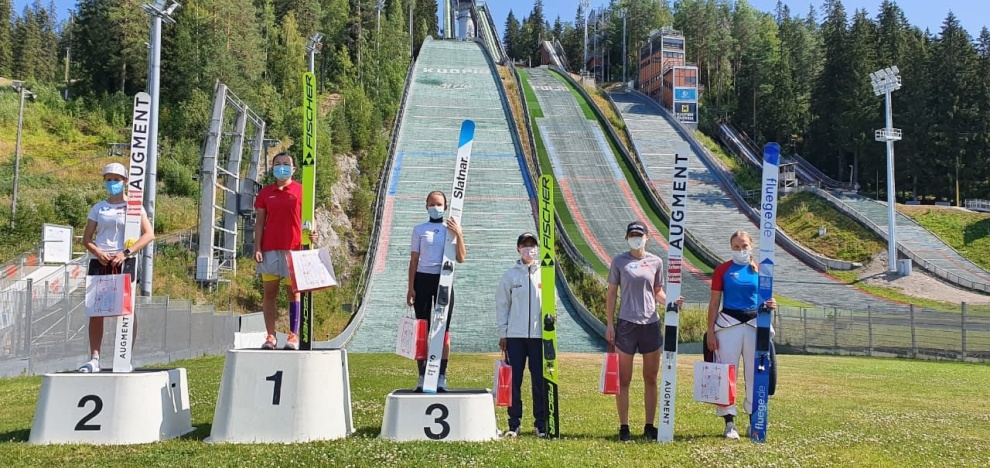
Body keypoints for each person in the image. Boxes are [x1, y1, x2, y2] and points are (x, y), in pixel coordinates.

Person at [606, 221, 683, 441]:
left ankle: (649, 425)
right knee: (624, 379)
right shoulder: (619, 261)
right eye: (632, 235)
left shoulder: (656, 261)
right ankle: (624, 427)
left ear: (647, 237)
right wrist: (610, 324)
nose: (636, 238)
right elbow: (611, 293)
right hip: (627, 324)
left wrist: (671, 302)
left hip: (650, 324)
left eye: (639, 235)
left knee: (650, 377)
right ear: (627, 238)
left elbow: (657, 291)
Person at [78, 162, 155, 372]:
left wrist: (126, 252)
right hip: (100, 261)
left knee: (126, 309)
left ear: (125, 181)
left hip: (124, 261)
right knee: (96, 310)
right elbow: (87, 239)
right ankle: (94, 358)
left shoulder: (134, 207)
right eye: (109, 179)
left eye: (117, 179)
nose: (112, 183)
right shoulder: (98, 207)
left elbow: (149, 234)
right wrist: (98, 253)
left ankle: (124, 357)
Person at [705, 230, 777, 440]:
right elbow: (714, 303)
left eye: (744, 246)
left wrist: (772, 304)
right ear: (731, 248)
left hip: (755, 325)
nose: (740, 250)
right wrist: (710, 331)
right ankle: (729, 423)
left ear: (751, 246)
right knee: (727, 373)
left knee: (756, 374)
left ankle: (755, 421)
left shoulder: (762, 269)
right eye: (736, 246)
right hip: (729, 325)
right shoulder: (722, 269)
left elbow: (767, 299)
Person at [253, 152, 317, 350]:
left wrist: (313, 234)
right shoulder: (266, 193)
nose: (282, 167)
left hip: (294, 250)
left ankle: (293, 335)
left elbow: (310, 219)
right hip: (270, 249)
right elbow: (260, 222)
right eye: (278, 164)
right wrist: (257, 247)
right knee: (269, 294)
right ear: (272, 168)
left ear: (293, 169)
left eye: (286, 164)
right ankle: (270, 336)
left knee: (294, 294)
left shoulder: (302, 191)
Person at [406, 190, 466, 391]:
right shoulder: (419, 229)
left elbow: (461, 258)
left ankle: (441, 376)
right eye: (432, 204)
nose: (435, 207)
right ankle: (422, 375)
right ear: (426, 206)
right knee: (422, 330)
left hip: (444, 280)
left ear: (445, 207)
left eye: (439, 204)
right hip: (422, 279)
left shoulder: (450, 228)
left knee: (443, 330)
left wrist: (459, 233)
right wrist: (410, 287)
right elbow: (414, 260)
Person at [495, 232, 546, 438]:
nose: (528, 249)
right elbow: (502, 305)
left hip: (538, 336)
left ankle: (540, 423)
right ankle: (514, 423)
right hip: (515, 336)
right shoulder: (510, 276)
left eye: (532, 245)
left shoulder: (545, 274)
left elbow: (551, 303)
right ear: (518, 248)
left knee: (539, 380)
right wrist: (503, 332)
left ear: (537, 248)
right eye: (525, 245)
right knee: (514, 380)